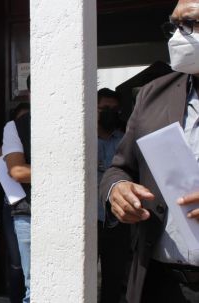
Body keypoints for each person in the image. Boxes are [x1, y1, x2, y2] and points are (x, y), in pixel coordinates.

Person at [100, 2, 199, 302]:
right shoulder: (152, 95)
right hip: (159, 281)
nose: (177, 37)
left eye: (190, 24)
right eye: (173, 26)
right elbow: (119, 168)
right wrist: (117, 189)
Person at [96, 88, 129, 303]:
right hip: (89, 218)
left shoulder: (125, 138)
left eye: (114, 110)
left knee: (114, 276)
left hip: (118, 220)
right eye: (105, 109)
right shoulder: (84, 138)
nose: (110, 114)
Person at [2, 109, 31, 303]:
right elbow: (17, 171)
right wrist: (63, 172)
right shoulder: (16, 127)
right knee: (32, 283)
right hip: (27, 214)